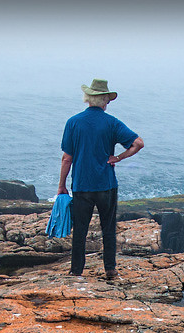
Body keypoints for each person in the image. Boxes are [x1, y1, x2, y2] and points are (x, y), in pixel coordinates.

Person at [58, 78, 144, 279]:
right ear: (105, 100)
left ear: (88, 98)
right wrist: (119, 157)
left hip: (81, 185)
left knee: (80, 230)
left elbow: (66, 158)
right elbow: (138, 143)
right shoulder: (112, 123)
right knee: (108, 228)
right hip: (106, 185)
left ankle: (77, 271)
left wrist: (61, 186)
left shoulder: (73, 122)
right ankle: (110, 269)